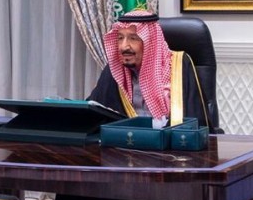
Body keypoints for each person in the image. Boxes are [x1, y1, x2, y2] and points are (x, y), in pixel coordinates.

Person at [87, 9, 215, 132]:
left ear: (150, 41)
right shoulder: (114, 69)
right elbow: (93, 112)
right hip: (125, 143)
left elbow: (195, 122)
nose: (124, 46)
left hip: (168, 144)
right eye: (120, 38)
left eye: (133, 38)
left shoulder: (178, 65)